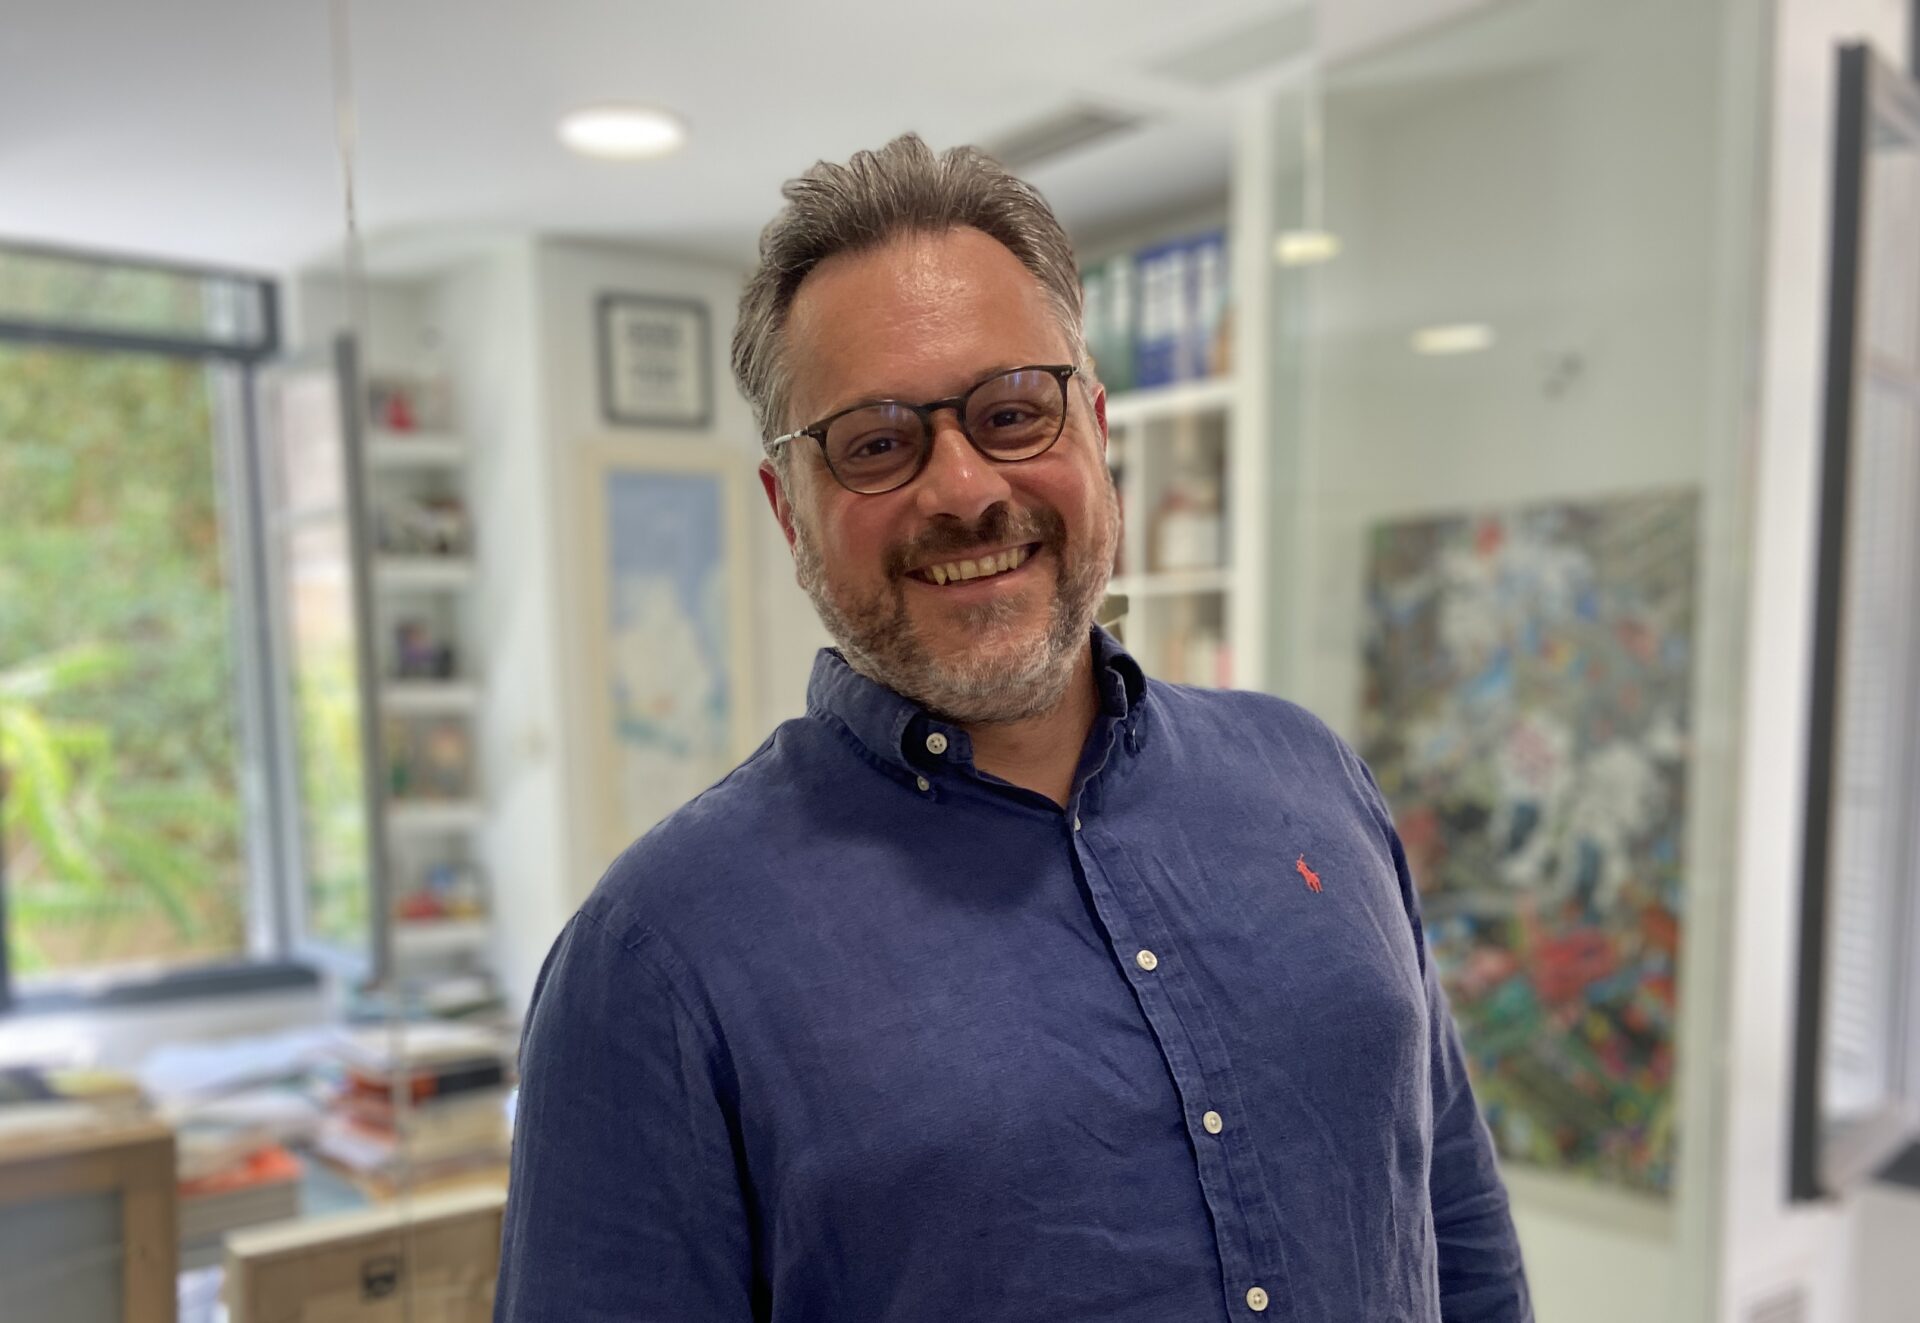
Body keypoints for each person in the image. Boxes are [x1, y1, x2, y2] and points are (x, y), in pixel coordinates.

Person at [495, 134, 1531, 1323]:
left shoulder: (1313, 780)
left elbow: (1457, 1232)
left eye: (1012, 413)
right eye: (877, 443)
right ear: (790, 510)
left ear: (1097, 432)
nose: (963, 489)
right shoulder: (654, 963)